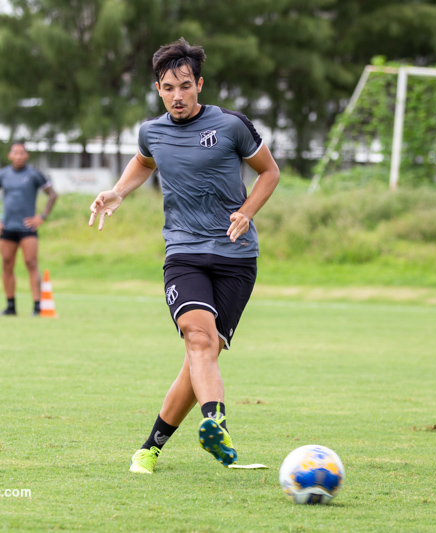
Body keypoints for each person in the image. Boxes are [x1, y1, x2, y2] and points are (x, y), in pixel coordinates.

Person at [88, 38, 280, 474]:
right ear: (158, 88)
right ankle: (216, 422)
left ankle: (149, 448)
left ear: (199, 85)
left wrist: (247, 212)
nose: (177, 95)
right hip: (185, 253)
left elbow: (270, 172)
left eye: (185, 86)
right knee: (199, 340)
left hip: (236, 257)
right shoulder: (151, 131)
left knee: (202, 354)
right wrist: (118, 191)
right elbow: (144, 161)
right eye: (169, 87)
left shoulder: (231, 126)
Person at [0, 142, 58, 316]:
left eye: (22, 153)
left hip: (27, 227)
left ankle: (37, 306)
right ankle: (10, 306)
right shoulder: (2, 175)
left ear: (27, 156)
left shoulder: (34, 175)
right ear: (10, 155)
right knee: (6, 264)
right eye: (15, 153)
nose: (18, 156)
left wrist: (42, 217)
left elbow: (52, 195)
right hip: (7, 227)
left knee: (31, 263)